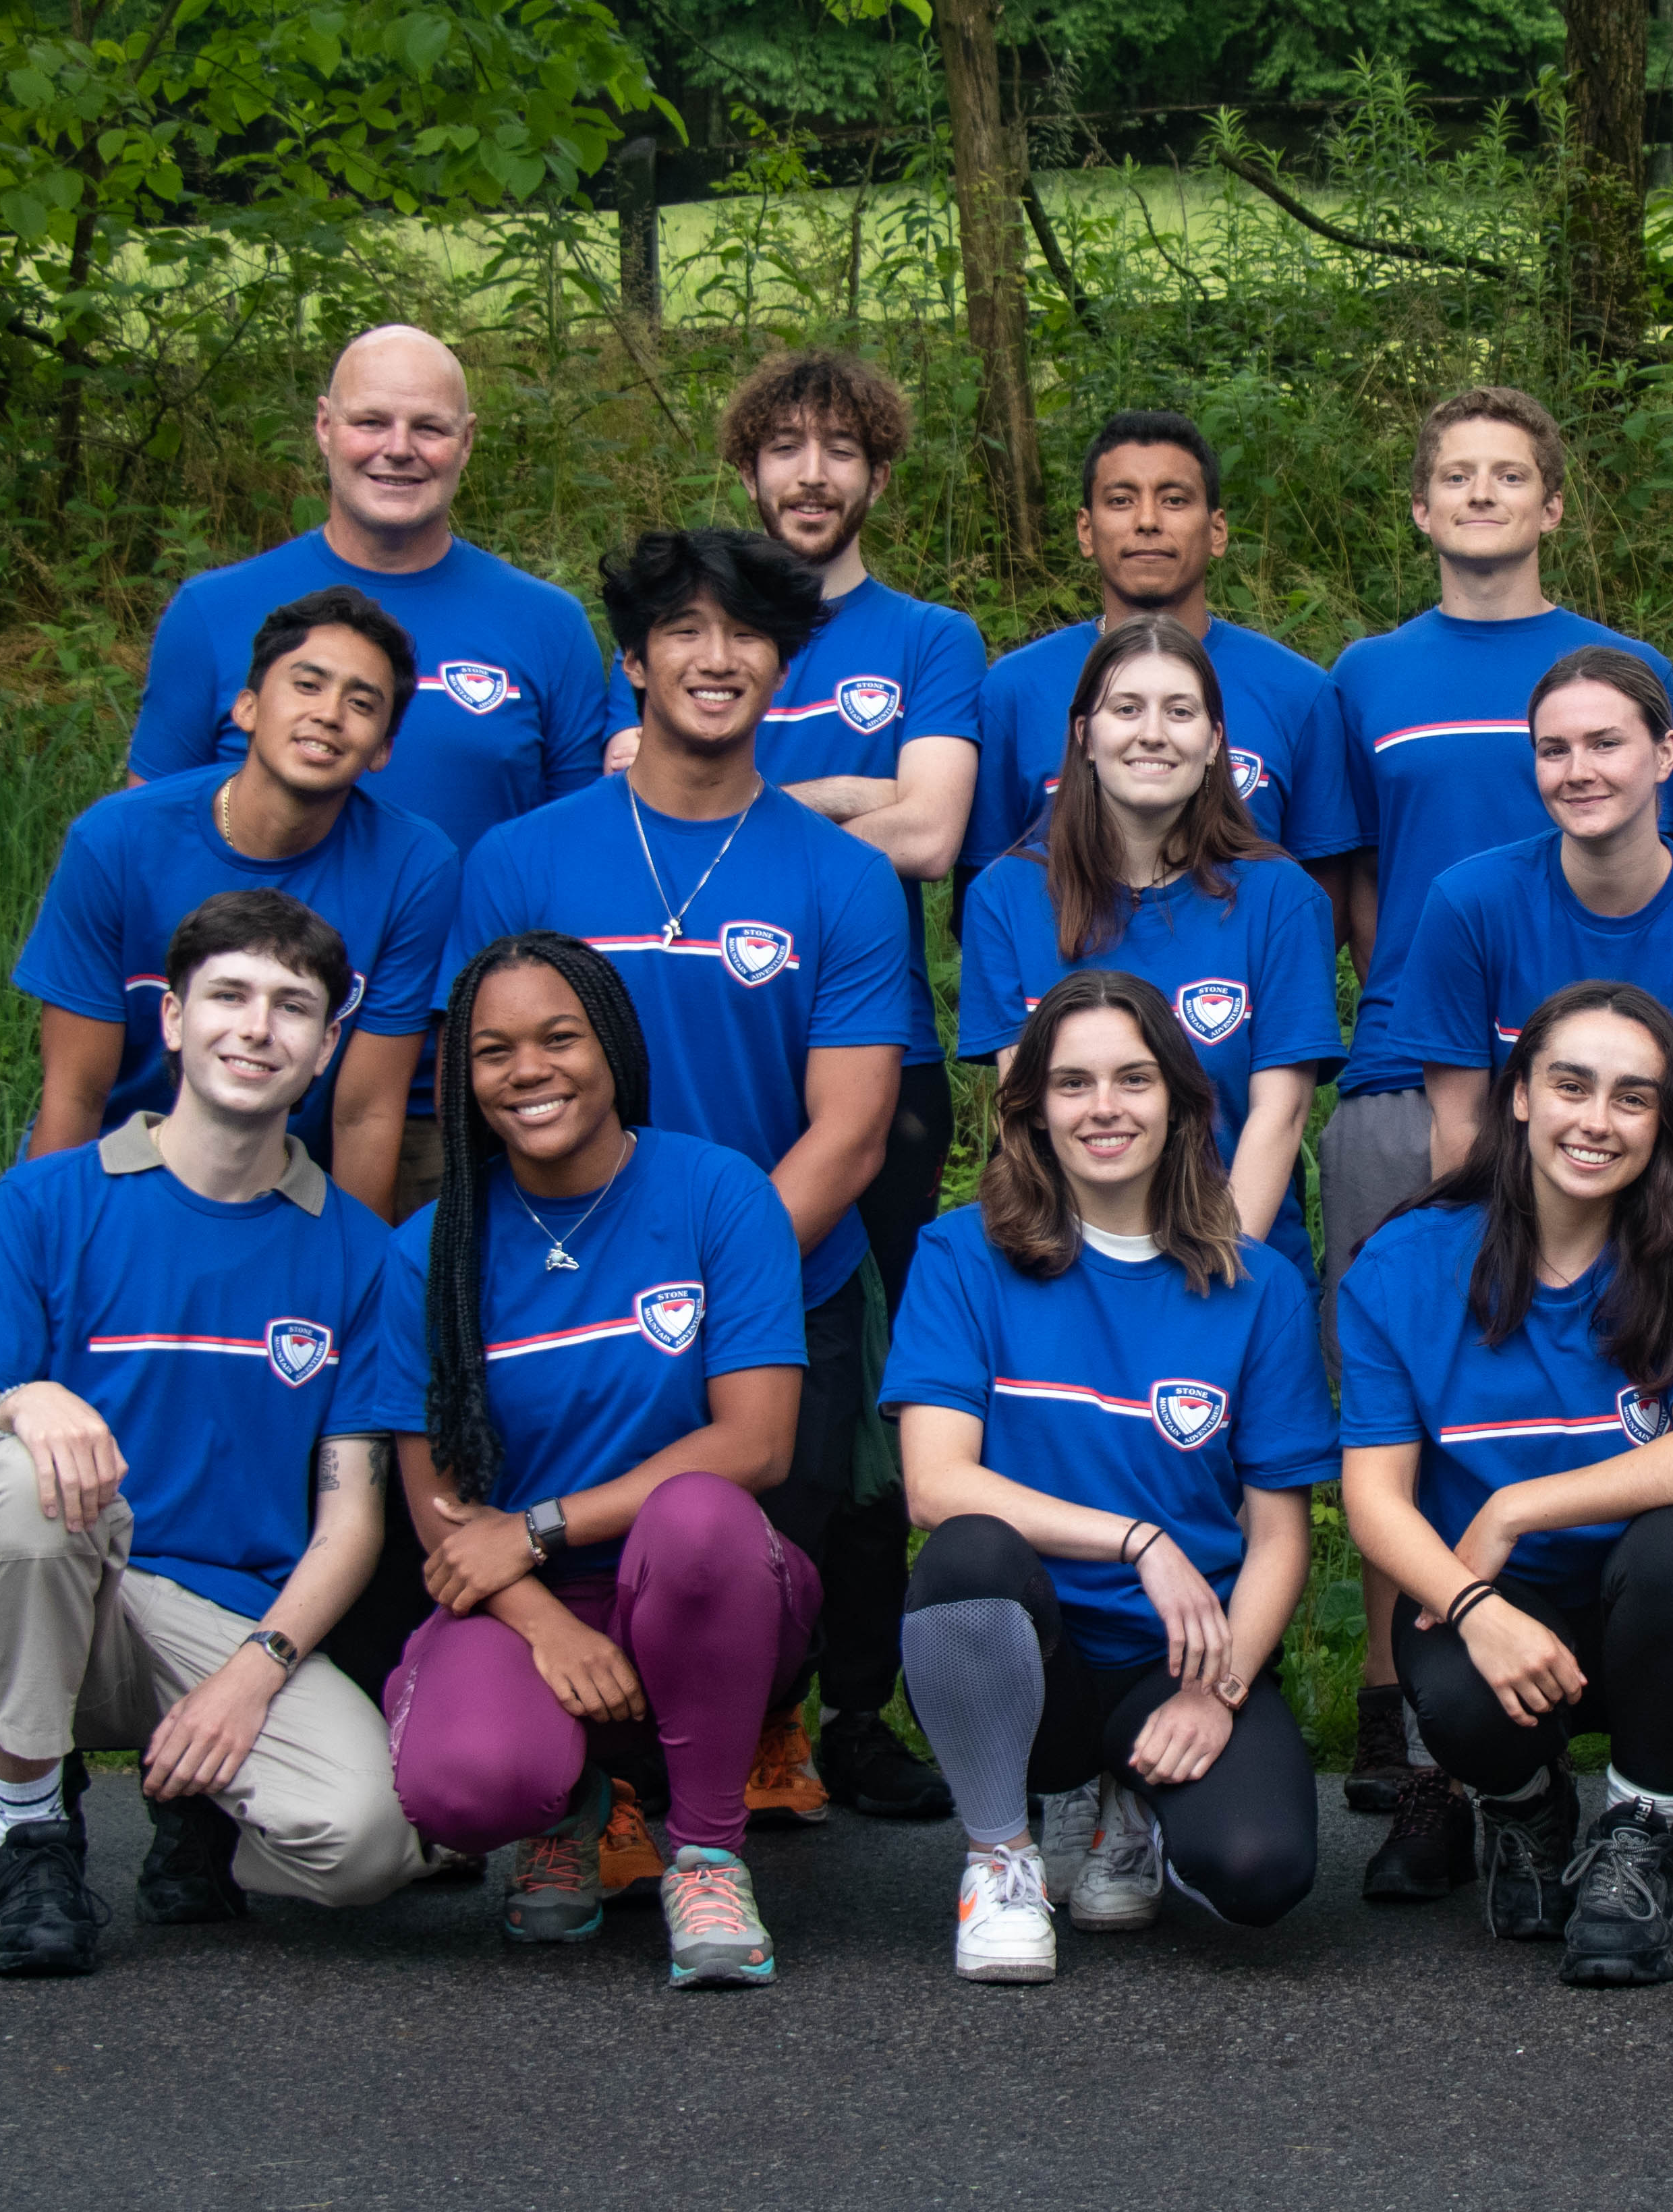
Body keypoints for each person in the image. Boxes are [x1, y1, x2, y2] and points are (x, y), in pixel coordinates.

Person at [447, 527, 907, 1821]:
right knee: (567, 1531)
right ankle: (600, 1776)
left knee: (760, 1553)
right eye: (686, 633)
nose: (717, 658)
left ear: (784, 662)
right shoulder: (522, 861)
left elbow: (853, 1125)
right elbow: (478, 1087)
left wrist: (726, 1274)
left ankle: (755, 1724)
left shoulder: (844, 876)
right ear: (635, 660)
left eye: (748, 634)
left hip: (774, 1272)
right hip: (555, 1280)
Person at [0, 889, 422, 1973]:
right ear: (173, 1019)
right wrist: (12, 1403)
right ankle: (30, 1832)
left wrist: (257, 1670)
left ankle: (205, 1816)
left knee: (366, 1847)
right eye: (227, 995)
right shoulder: (48, 1203)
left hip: (227, 1630)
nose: (255, 1026)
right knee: (18, 1480)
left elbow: (351, 1518)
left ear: (326, 1048)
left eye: (291, 1007)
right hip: (66, 1602)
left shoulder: (363, 1254)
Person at [602, 347, 985, 1822]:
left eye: (840, 448)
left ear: (876, 473)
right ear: (747, 470)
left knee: (860, 1398)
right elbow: (638, 790)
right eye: (784, 448)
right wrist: (842, 803)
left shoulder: (928, 635)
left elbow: (934, 829)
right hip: (688, 1053)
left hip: (871, 1062)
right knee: (660, 1360)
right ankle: (690, 1686)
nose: (811, 473)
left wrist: (773, 805)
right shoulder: (671, 623)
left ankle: (847, 1705)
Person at [1322, 385, 1673, 1823]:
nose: (1479, 494)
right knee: (1403, 1399)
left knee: (1611, 1375)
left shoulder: (1615, 664)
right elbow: (1350, 874)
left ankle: (1628, 1692)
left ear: (1548, 504)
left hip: (1594, 1100)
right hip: (1416, 1080)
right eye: (1452, 475)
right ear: (1419, 508)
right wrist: (1410, 1023)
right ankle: (1397, 1698)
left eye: (1508, 474)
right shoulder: (1365, 672)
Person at [361, 932, 816, 1989]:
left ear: (610, 1043)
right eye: (493, 1050)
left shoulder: (716, 1192)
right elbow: (441, 1504)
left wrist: (540, 1523)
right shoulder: (430, 1247)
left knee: (696, 1514)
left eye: (559, 1037)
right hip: (523, 1599)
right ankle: (564, 1803)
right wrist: (547, 1620)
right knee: (462, 1785)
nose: (528, 1070)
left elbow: (755, 1439)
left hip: (701, 1582)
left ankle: (705, 1851)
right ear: (461, 1078)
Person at [884, 971, 1336, 1981]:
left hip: (1167, 1658)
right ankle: (1001, 1854)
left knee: (1260, 1870)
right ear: (1032, 1109)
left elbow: (1277, 1535)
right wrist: (1136, 1536)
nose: (1103, 1107)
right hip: (1022, 1654)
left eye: (1133, 1079)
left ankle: (1131, 1798)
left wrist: (1218, 1693)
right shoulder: (963, 1254)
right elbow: (933, 1482)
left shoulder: (1255, 1283)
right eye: (1073, 1082)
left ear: (1179, 1100)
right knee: (965, 1551)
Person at [1337, 982, 1673, 1987]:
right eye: (1570, 1085)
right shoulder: (1405, 1266)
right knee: (1450, 1681)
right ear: (1519, 1098)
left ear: (1663, 1120)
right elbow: (1372, 1497)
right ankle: (1526, 1808)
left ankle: (1636, 1827)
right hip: (1497, 1605)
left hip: (1660, 1612)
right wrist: (1469, 1600)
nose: (1595, 1119)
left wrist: (1512, 1505)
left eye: (1631, 1096)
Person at [123, 322, 608, 1226]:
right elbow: (147, 846)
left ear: (466, 442)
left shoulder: (544, 624)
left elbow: (578, 853)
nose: (398, 449)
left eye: (428, 427)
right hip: (238, 1071)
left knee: (431, 1342)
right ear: (322, 427)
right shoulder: (216, 612)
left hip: (455, 1084)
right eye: (370, 421)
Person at [18, 587, 459, 1216]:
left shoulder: (416, 867)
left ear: (383, 748)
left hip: (288, 1187)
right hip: (119, 1172)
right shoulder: (116, 840)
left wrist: (361, 1284)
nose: (330, 714)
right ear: (246, 707)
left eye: (362, 703)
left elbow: (365, 1113)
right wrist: (47, 1253)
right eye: (307, 685)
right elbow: (77, 1093)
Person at [958, 613, 1340, 1287]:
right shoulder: (1007, 896)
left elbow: (1278, 1119)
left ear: (1215, 741)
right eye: (1126, 708)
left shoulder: (1282, 899)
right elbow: (1027, 1111)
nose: (1152, 734)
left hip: (1231, 1261)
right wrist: (1094, 1277)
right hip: (1064, 1268)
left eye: (1180, 711)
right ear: (1084, 736)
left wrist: (1218, 1271)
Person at [1398, 645, 1673, 1247]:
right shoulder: (1469, 903)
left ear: (1665, 753)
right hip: (1509, 1219)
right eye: (1554, 750)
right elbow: (1461, 1125)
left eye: (1605, 743)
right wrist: (1477, 1276)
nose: (1577, 771)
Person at [965, 410, 1357, 922]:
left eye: (1174, 500)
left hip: (1228, 1000)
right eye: (1120, 500)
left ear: (1217, 530)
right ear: (1086, 530)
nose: (1147, 521)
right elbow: (982, 897)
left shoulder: (1297, 692)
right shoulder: (1015, 691)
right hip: (1064, 992)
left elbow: (1323, 903)